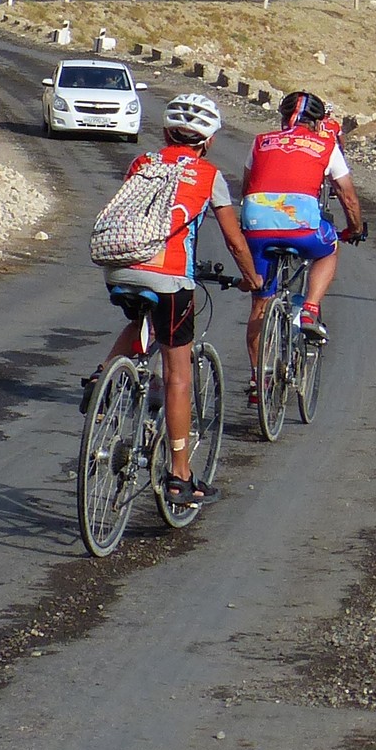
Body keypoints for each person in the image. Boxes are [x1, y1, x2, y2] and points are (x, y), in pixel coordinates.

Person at [94, 92, 259, 507]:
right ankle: (180, 476)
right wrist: (252, 278)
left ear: (166, 132)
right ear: (209, 141)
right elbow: (234, 240)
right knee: (178, 376)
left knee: (138, 322)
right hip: (169, 278)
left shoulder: (142, 163)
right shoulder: (208, 175)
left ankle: (102, 379)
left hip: (119, 266)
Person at [238, 90, 366, 394]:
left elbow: (245, 187)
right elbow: (347, 196)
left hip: (256, 223)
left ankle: (258, 380)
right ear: (319, 121)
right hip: (301, 225)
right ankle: (309, 307)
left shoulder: (261, 141)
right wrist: (355, 229)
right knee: (329, 246)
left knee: (259, 305)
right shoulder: (327, 143)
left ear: (283, 118)